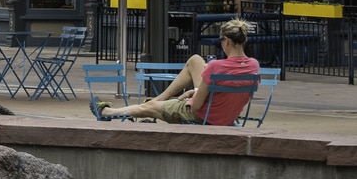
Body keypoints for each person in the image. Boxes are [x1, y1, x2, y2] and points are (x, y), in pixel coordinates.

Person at [92, 18, 262, 125]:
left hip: (203, 116)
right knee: (195, 60)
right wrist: (196, 91)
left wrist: (192, 96)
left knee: (150, 107)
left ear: (227, 42)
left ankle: (106, 112)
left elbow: (196, 106)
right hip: (227, 117)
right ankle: (158, 100)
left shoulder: (215, 66)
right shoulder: (254, 66)